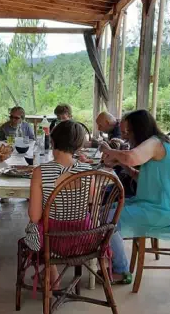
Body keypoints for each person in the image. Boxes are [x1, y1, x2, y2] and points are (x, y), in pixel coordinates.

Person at [25, 120, 130, 286]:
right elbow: (92, 203)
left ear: (52, 141)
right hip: (85, 238)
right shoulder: (88, 171)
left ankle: (51, 269)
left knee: (34, 225)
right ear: (79, 146)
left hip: (52, 239)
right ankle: (50, 270)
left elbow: (35, 215)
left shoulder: (40, 172)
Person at [101, 109, 170, 240]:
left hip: (163, 210)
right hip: (157, 206)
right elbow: (143, 179)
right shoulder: (158, 142)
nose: (125, 137)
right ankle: (108, 256)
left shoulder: (156, 143)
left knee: (105, 219)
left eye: (128, 132)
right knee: (102, 211)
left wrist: (109, 151)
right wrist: (120, 163)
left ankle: (115, 260)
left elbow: (131, 157)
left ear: (139, 129)